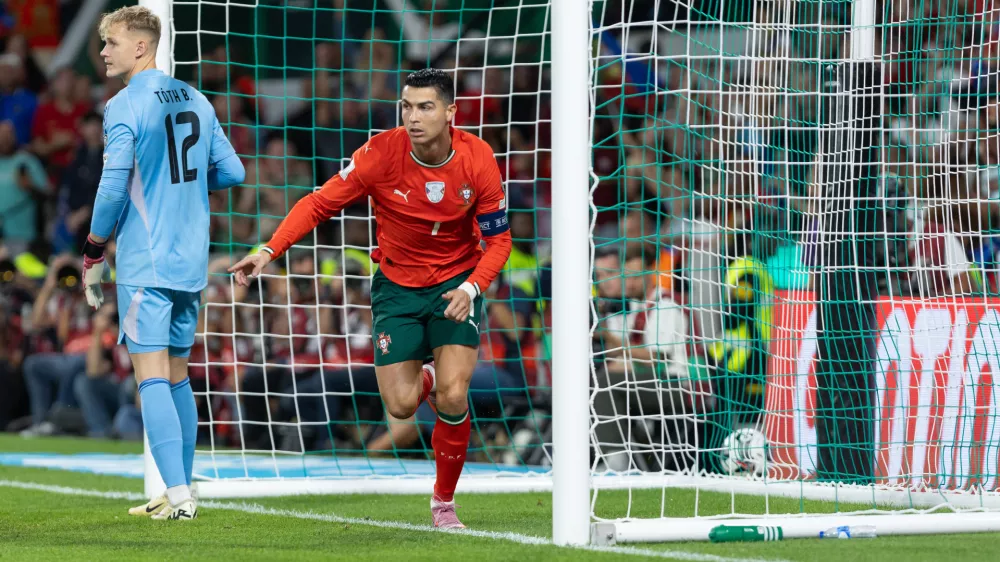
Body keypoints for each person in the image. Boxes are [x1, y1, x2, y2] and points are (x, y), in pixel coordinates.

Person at [229, 68, 512, 529]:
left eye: (425, 107)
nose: (414, 117)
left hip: (454, 288)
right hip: (396, 289)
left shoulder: (477, 158)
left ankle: (443, 504)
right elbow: (320, 202)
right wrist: (268, 250)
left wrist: (471, 286)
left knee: (454, 394)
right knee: (401, 407)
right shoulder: (381, 153)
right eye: (407, 106)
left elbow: (499, 242)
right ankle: (426, 376)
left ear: (451, 113)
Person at [80, 6, 244, 521]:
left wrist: (92, 248)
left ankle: (178, 498)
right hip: (191, 260)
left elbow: (112, 187)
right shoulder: (198, 99)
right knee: (177, 377)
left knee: (150, 376)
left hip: (145, 258)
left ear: (142, 47)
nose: (104, 52)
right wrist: (185, 185)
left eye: (111, 43)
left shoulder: (125, 104)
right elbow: (233, 171)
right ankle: (177, 489)